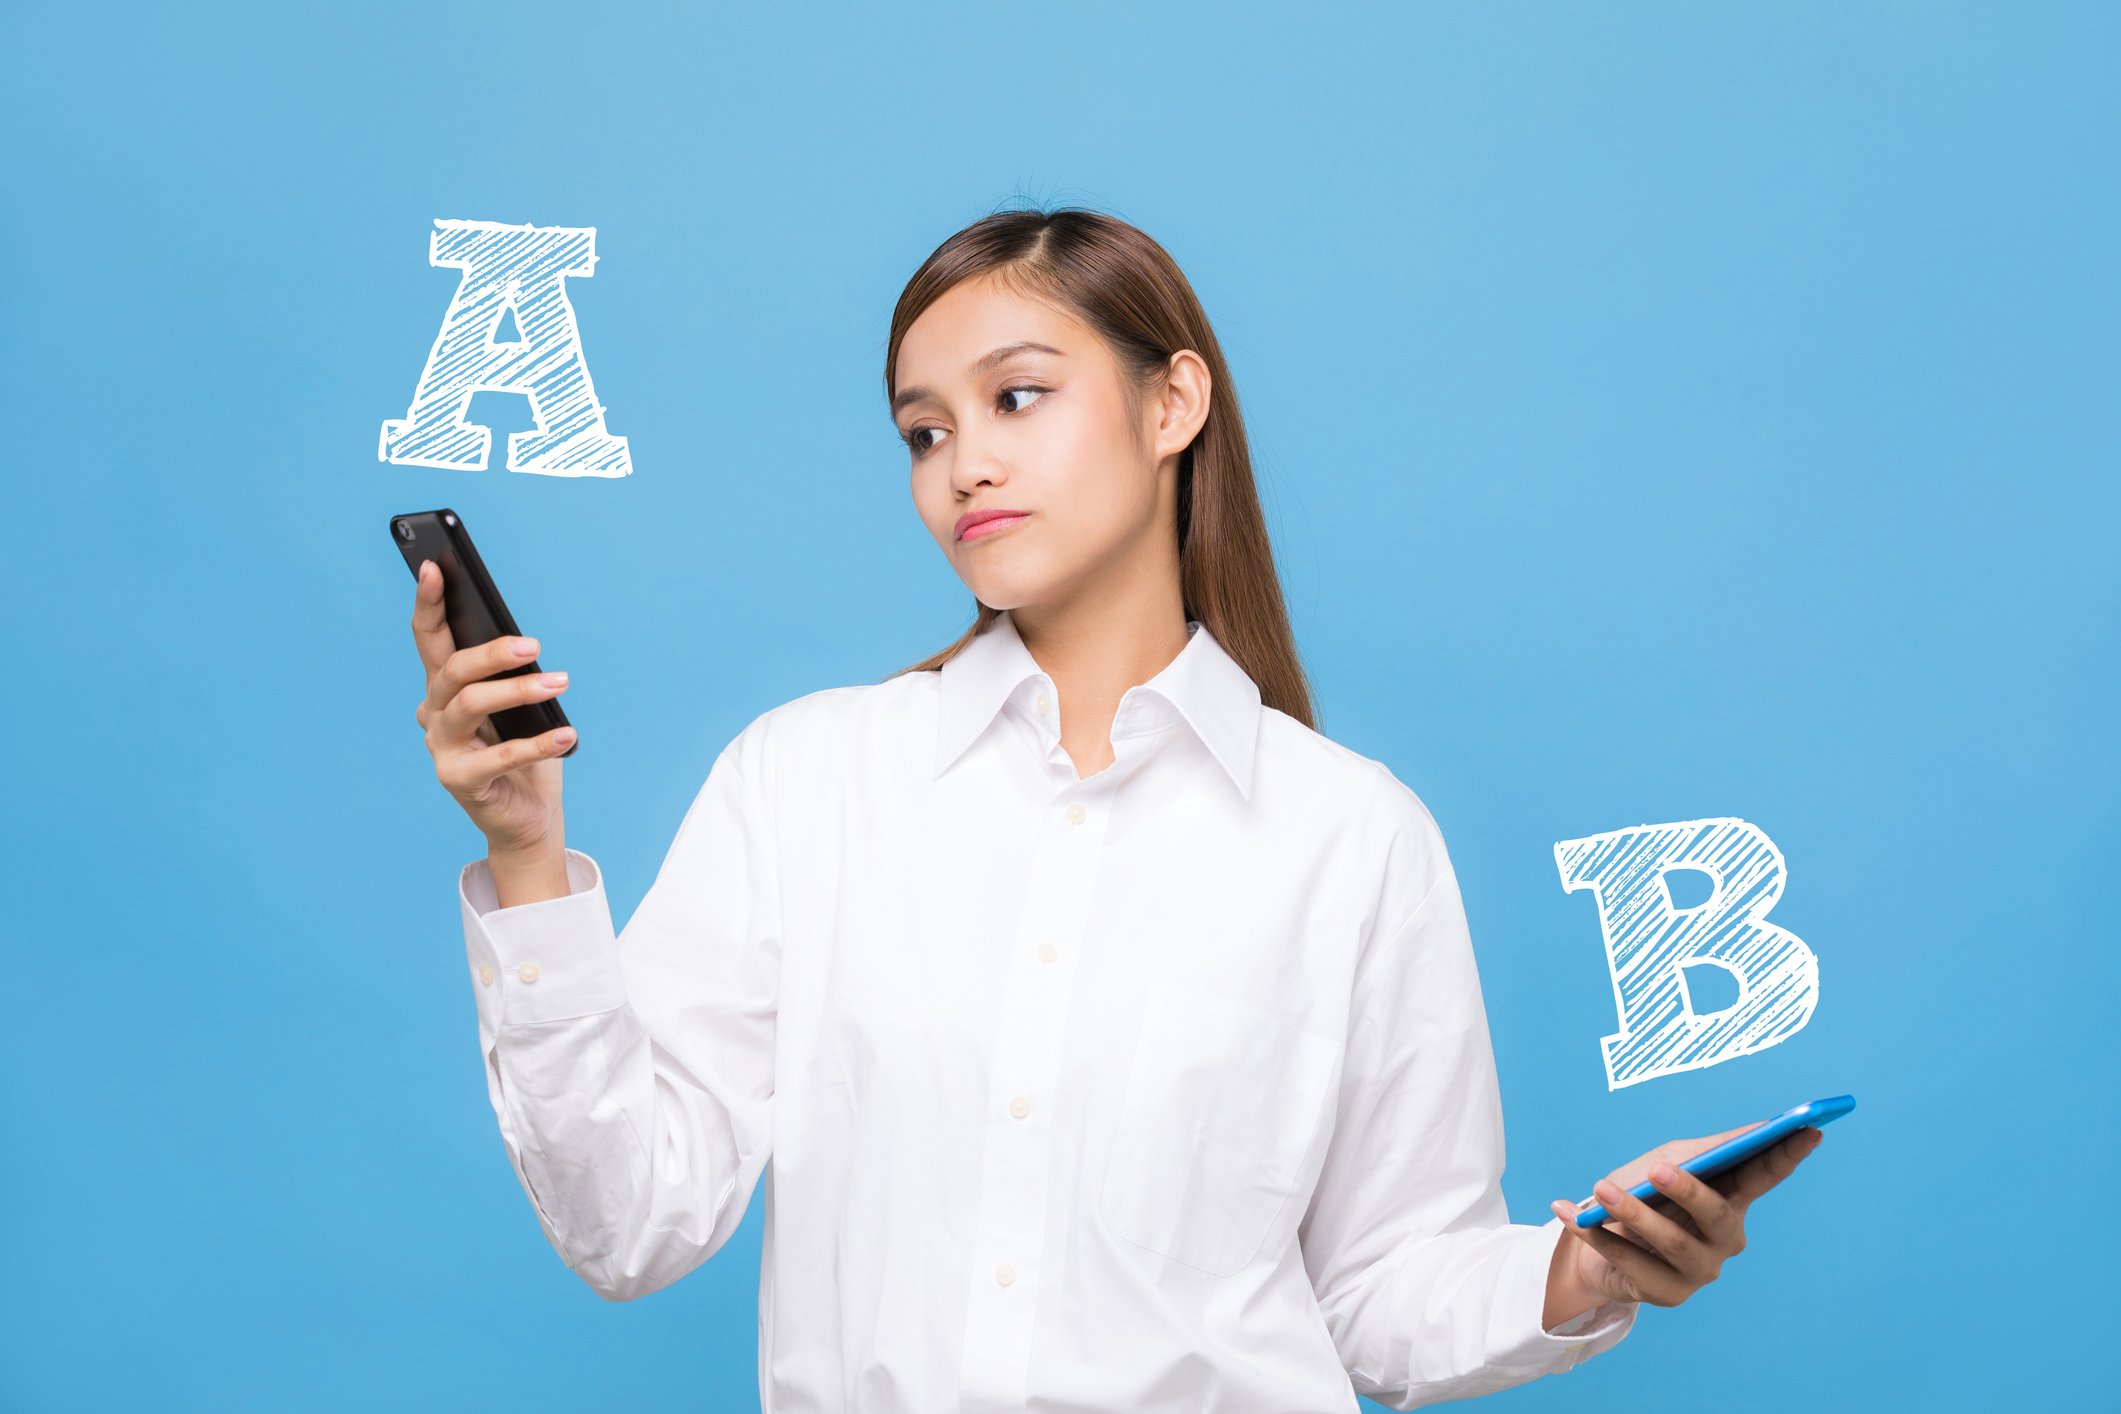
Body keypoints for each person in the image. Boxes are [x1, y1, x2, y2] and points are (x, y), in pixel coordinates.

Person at [409, 207, 1823, 1412]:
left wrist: (1582, 1264)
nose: (963, 460)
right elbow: (630, 1221)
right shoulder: (804, 781)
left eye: (1017, 396)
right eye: (923, 427)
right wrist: (527, 855)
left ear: (1171, 405)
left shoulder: (1351, 835)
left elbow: (1385, 1286)